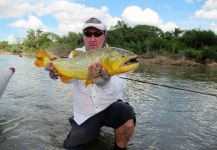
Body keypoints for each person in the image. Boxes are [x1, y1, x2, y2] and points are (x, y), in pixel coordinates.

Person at [48, 17, 136, 150]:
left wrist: (103, 81)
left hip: (110, 107)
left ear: (105, 35)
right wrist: (54, 72)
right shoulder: (76, 54)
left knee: (126, 114)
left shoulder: (114, 55)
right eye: (88, 34)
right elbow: (68, 79)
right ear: (84, 36)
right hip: (85, 114)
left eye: (97, 34)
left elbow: (118, 89)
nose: (92, 38)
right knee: (71, 147)